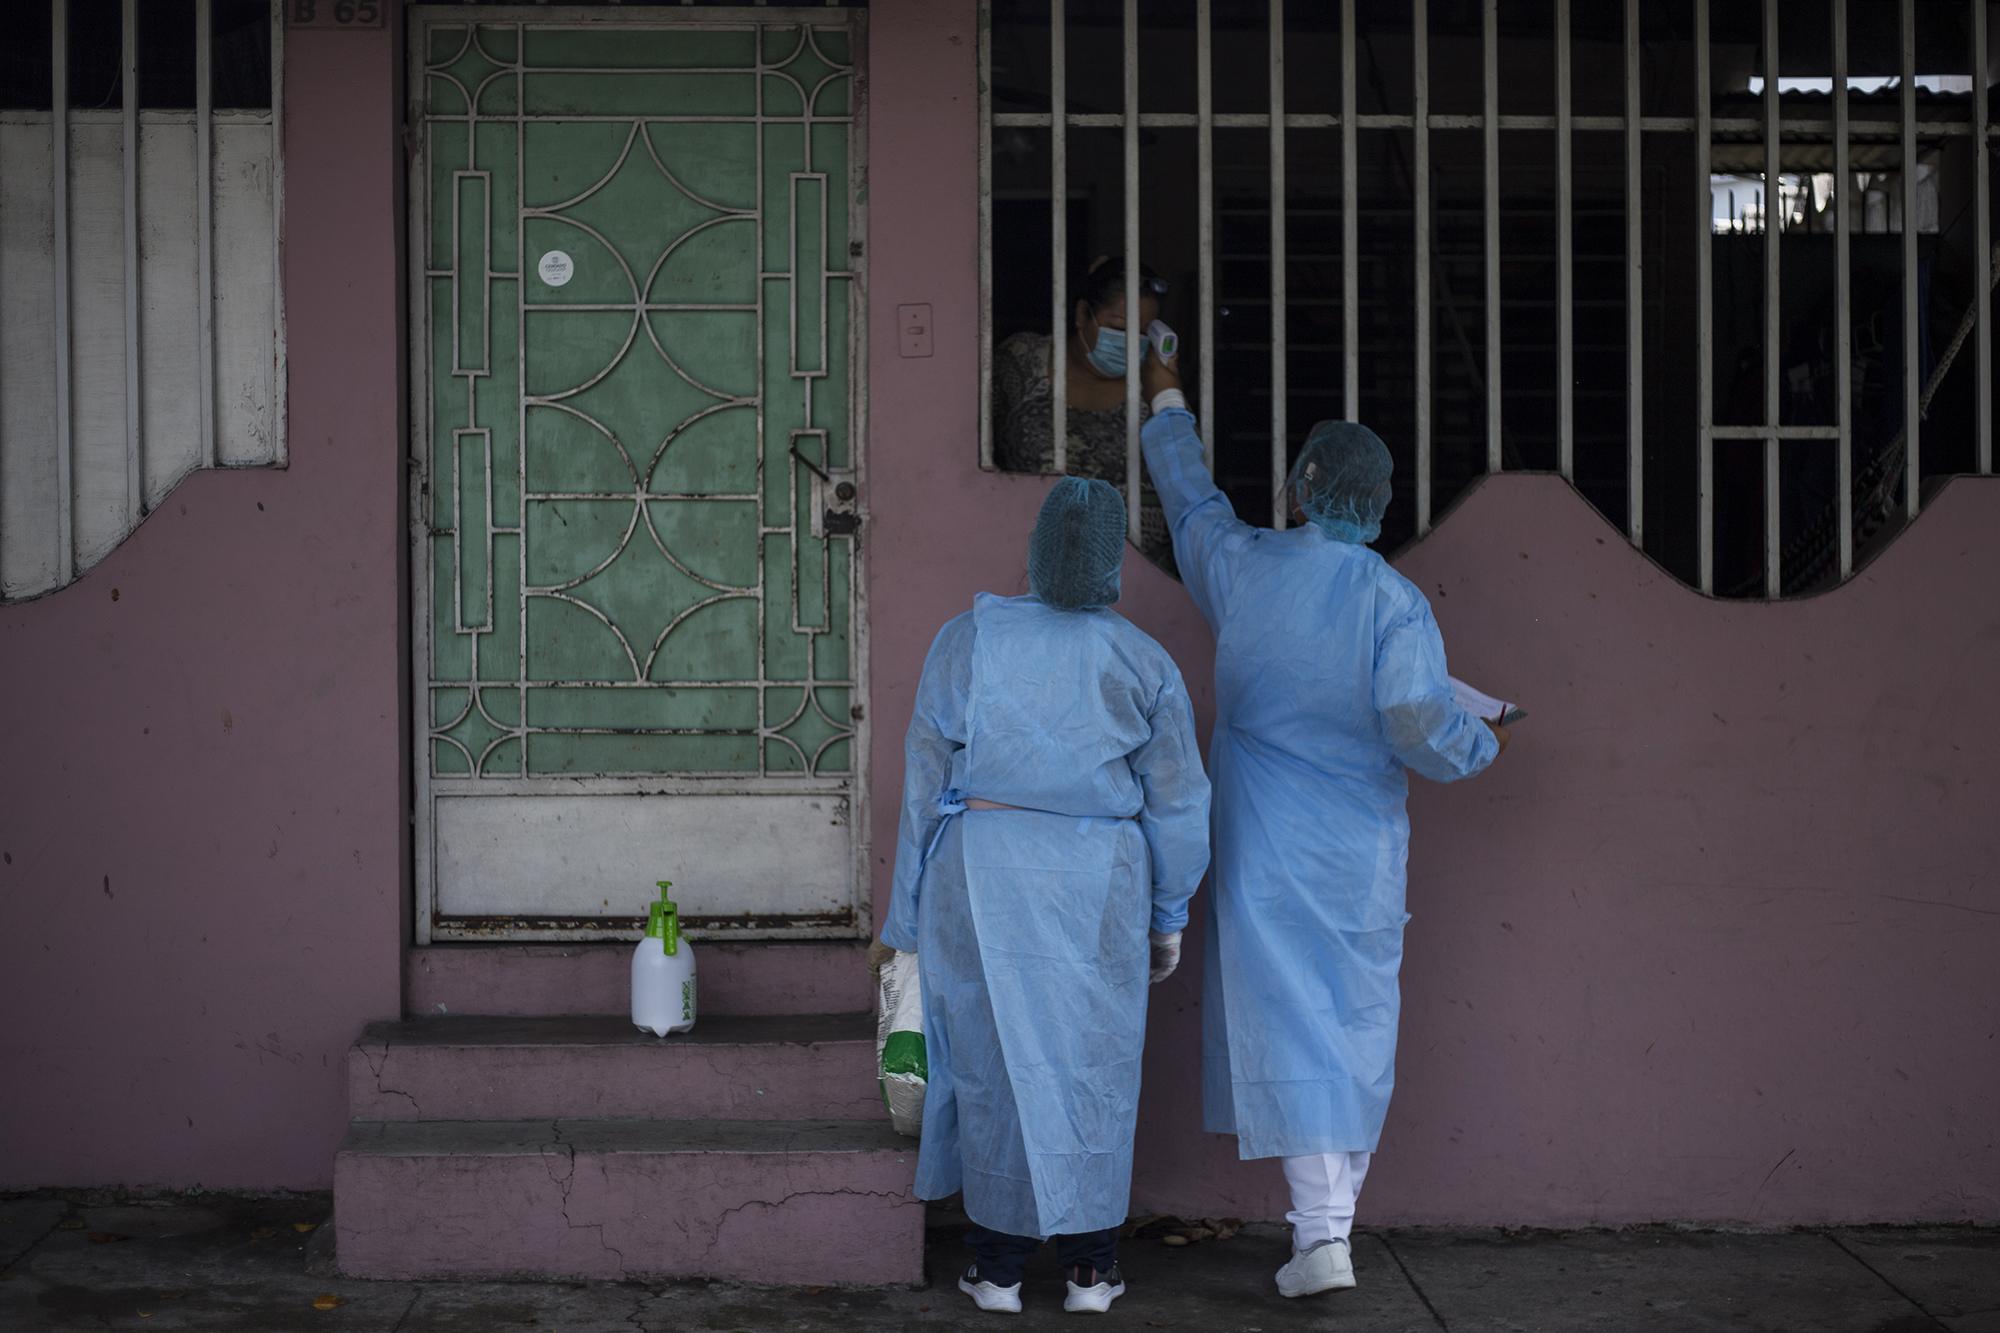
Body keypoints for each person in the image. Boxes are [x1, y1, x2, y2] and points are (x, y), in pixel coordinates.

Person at [1136, 352, 1508, 1300]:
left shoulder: (1244, 568)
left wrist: (1166, 397)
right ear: (1377, 503)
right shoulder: (1394, 602)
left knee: (1289, 1026)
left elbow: (1189, 500)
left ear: (1302, 486)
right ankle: (1326, 1234)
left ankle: (1323, 1236)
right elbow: (1420, 718)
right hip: (1360, 855)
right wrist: (1481, 741)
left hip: (1265, 843)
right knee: (1353, 1033)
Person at [872, 477, 1211, 1315]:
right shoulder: (1141, 659)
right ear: (1111, 563)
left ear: (1034, 547)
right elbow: (1179, 803)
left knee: (992, 1065)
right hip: (1101, 884)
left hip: (980, 875)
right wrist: (1167, 916)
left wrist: (904, 922)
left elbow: (923, 787)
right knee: (1092, 1066)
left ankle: (998, 1269)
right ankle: (1093, 1270)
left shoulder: (968, 639)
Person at [992, 256, 1177, 570]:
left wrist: (1169, 388)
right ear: (1081, 314)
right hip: (1026, 565)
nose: (1131, 343)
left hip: (1139, 576)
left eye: (1145, 333)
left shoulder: (1154, 383)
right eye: (1119, 328)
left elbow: (1185, 474)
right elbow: (972, 441)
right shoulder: (1021, 360)